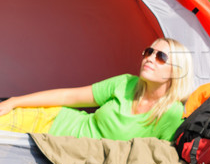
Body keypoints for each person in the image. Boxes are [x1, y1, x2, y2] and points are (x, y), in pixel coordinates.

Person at [0, 38, 194, 142]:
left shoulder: (171, 113)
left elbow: (162, 157)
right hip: (54, 121)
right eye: (149, 52)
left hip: (64, 149)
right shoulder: (125, 83)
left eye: (161, 57)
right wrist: (13, 101)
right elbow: (69, 96)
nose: (150, 58)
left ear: (176, 72)